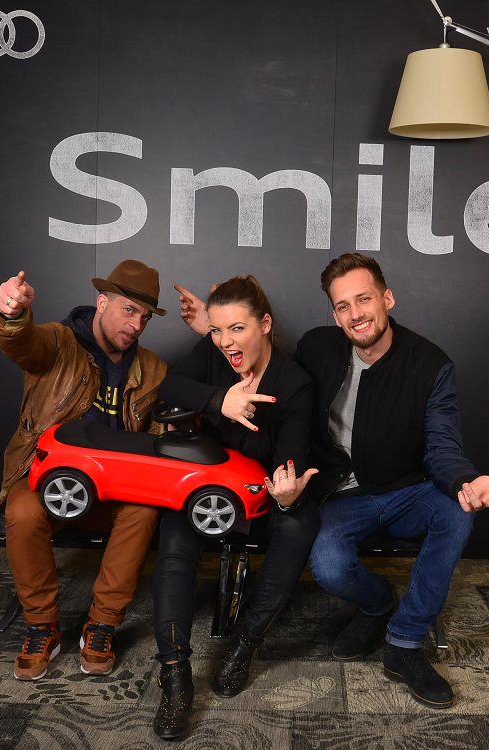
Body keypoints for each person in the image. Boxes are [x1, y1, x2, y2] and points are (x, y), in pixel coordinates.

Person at [294, 252, 489, 709]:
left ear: (388, 299)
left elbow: (442, 445)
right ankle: (378, 604)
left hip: (407, 489)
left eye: (364, 299)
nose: (356, 314)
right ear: (335, 315)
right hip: (342, 493)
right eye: (343, 306)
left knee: (457, 512)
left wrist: (465, 481)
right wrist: (211, 331)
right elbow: (270, 371)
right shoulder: (316, 347)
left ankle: (404, 642)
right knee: (330, 567)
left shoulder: (430, 364)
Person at [0, 259, 169, 681]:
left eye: (145, 317)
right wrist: (10, 315)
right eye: (128, 310)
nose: (136, 324)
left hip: (113, 486)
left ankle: (102, 625)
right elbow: (21, 343)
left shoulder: (153, 368)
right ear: (102, 302)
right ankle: (41, 627)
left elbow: (157, 436)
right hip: (49, 477)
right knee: (23, 512)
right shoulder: (59, 343)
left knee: (143, 511)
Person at [152, 276, 318, 740]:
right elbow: (170, 385)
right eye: (217, 330)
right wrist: (217, 399)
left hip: (263, 499)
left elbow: (291, 454)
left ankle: (245, 644)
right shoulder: (213, 355)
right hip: (212, 497)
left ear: (265, 324)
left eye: (237, 328)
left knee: (300, 523)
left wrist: (286, 488)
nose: (226, 341)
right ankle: (174, 672)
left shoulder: (295, 382)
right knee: (175, 531)